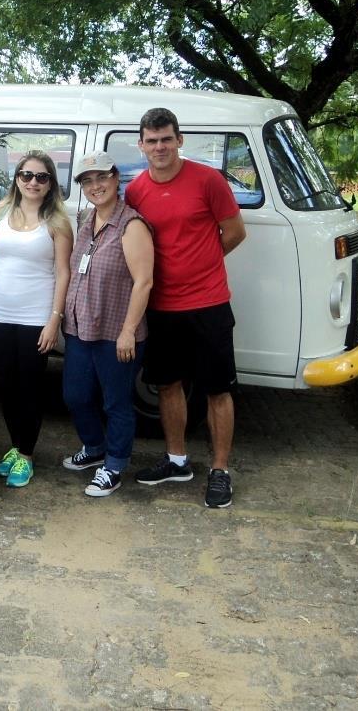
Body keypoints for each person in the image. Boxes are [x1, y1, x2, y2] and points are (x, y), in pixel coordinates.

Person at [126, 107, 246, 509]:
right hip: (161, 305)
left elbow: (234, 232)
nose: (159, 147)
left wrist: (203, 265)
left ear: (180, 140)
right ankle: (177, 459)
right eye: (151, 140)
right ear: (141, 144)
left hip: (208, 303)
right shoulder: (136, 190)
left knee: (217, 389)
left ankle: (220, 470)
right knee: (168, 385)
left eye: (166, 139)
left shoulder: (207, 180)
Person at [0, 150, 73, 488]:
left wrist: (53, 320)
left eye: (41, 177)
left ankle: (26, 454)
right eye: (26, 175)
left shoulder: (57, 221)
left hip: (35, 316)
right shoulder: (0, 212)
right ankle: (16, 448)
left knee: (30, 387)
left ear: (49, 184)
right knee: (8, 386)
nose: (32, 182)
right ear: (16, 178)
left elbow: (63, 272)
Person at [60, 151, 154, 497]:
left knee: (116, 403)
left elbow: (144, 282)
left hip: (116, 333)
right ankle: (94, 447)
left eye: (101, 177)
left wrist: (128, 330)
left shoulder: (132, 225)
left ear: (116, 179)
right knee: (75, 396)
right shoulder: (87, 220)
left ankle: (114, 464)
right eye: (87, 180)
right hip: (80, 328)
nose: (95, 185)